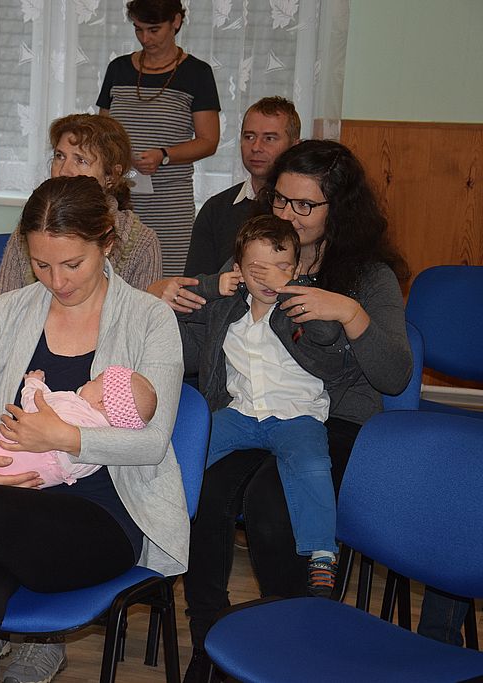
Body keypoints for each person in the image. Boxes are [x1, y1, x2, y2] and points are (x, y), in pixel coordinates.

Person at [0, 175, 189, 683]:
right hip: (8, 513)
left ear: (107, 243)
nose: (57, 281)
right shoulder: (5, 314)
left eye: (72, 264)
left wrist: (62, 438)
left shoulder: (150, 319)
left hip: (105, 520)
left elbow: (151, 443)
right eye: (41, 264)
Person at [180, 140, 412, 682]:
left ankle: (291, 641)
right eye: (280, 199)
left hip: (334, 418)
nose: (288, 214)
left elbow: (395, 375)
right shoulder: (253, 257)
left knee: (273, 500)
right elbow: (201, 348)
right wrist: (165, 307)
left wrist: (350, 313)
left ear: (339, 209)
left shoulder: (367, 276)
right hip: (249, 411)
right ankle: (209, 639)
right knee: (201, 486)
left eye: (305, 205)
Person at [179, 215, 344, 599]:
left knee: (312, 466)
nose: (270, 278)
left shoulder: (298, 308)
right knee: (189, 455)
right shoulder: (227, 308)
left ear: (297, 269)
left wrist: (292, 290)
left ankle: (322, 551)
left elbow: (327, 333)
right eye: (258, 270)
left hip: (296, 414)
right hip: (242, 413)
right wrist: (213, 285)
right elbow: (183, 307)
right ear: (238, 271)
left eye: (282, 267)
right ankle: (163, 526)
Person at [97, 0, 220, 278]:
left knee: (167, 282)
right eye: (138, 29)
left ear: (175, 21)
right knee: (113, 280)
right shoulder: (118, 69)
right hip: (119, 201)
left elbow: (209, 140)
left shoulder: (197, 74)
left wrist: (164, 155)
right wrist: (119, 156)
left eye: (154, 30)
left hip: (170, 205)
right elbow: (102, 134)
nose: (145, 38)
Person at [0, 113, 162, 296]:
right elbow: (3, 306)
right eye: (60, 156)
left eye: (81, 160)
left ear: (111, 176)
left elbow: (141, 312)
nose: (64, 170)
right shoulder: (35, 225)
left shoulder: (142, 242)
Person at [0, 366, 157, 488]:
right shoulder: (98, 453)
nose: (87, 382)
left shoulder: (75, 405)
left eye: (94, 381)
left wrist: (33, 382)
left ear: (101, 402)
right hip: (25, 482)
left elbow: (35, 404)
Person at [183, 96, 301, 278]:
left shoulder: (303, 212)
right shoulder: (216, 209)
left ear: (294, 146)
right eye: (249, 137)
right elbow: (195, 284)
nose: (256, 147)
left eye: (269, 138)